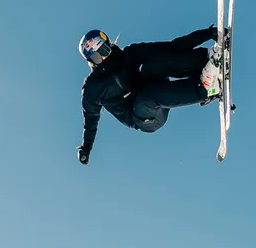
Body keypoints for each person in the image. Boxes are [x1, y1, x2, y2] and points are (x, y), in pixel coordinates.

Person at [76, 26, 222, 165]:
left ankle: (206, 61)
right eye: (96, 56)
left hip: (152, 92)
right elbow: (90, 120)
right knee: (146, 97)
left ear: (108, 43)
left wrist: (207, 34)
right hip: (143, 117)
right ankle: (206, 90)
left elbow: (169, 47)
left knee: (154, 63)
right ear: (91, 62)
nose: (103, 56)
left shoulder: (127, 55)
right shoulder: (93, 88)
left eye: (103, 49)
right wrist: (86, 148)